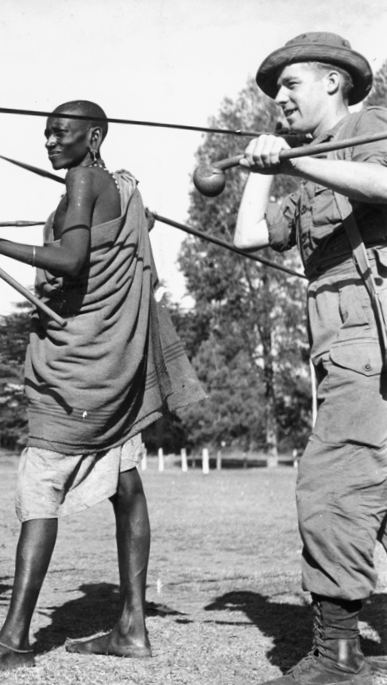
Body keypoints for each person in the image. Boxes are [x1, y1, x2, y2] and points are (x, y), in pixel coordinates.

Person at [0, 100, 204, 672]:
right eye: (46, 134)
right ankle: (132, 627)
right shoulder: (120, 188)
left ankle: (14, 639)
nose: (50, 142)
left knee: (39, 487)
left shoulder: (85, 180)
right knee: (126, 484)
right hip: (116, 361)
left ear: (94, 137)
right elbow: (116, 243)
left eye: (62, 132)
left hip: (80, 366)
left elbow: (71, 260)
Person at [233, 32, 387, 685]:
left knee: (331, 484)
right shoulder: (308, 165)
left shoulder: (368, 127)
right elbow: (248, 235)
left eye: (290, 85)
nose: (280, 99)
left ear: (333, 82)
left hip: (368, 341)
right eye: (275, 92)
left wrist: (296, 164)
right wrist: (258, 168)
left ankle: (338, 656)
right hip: (340, 347)